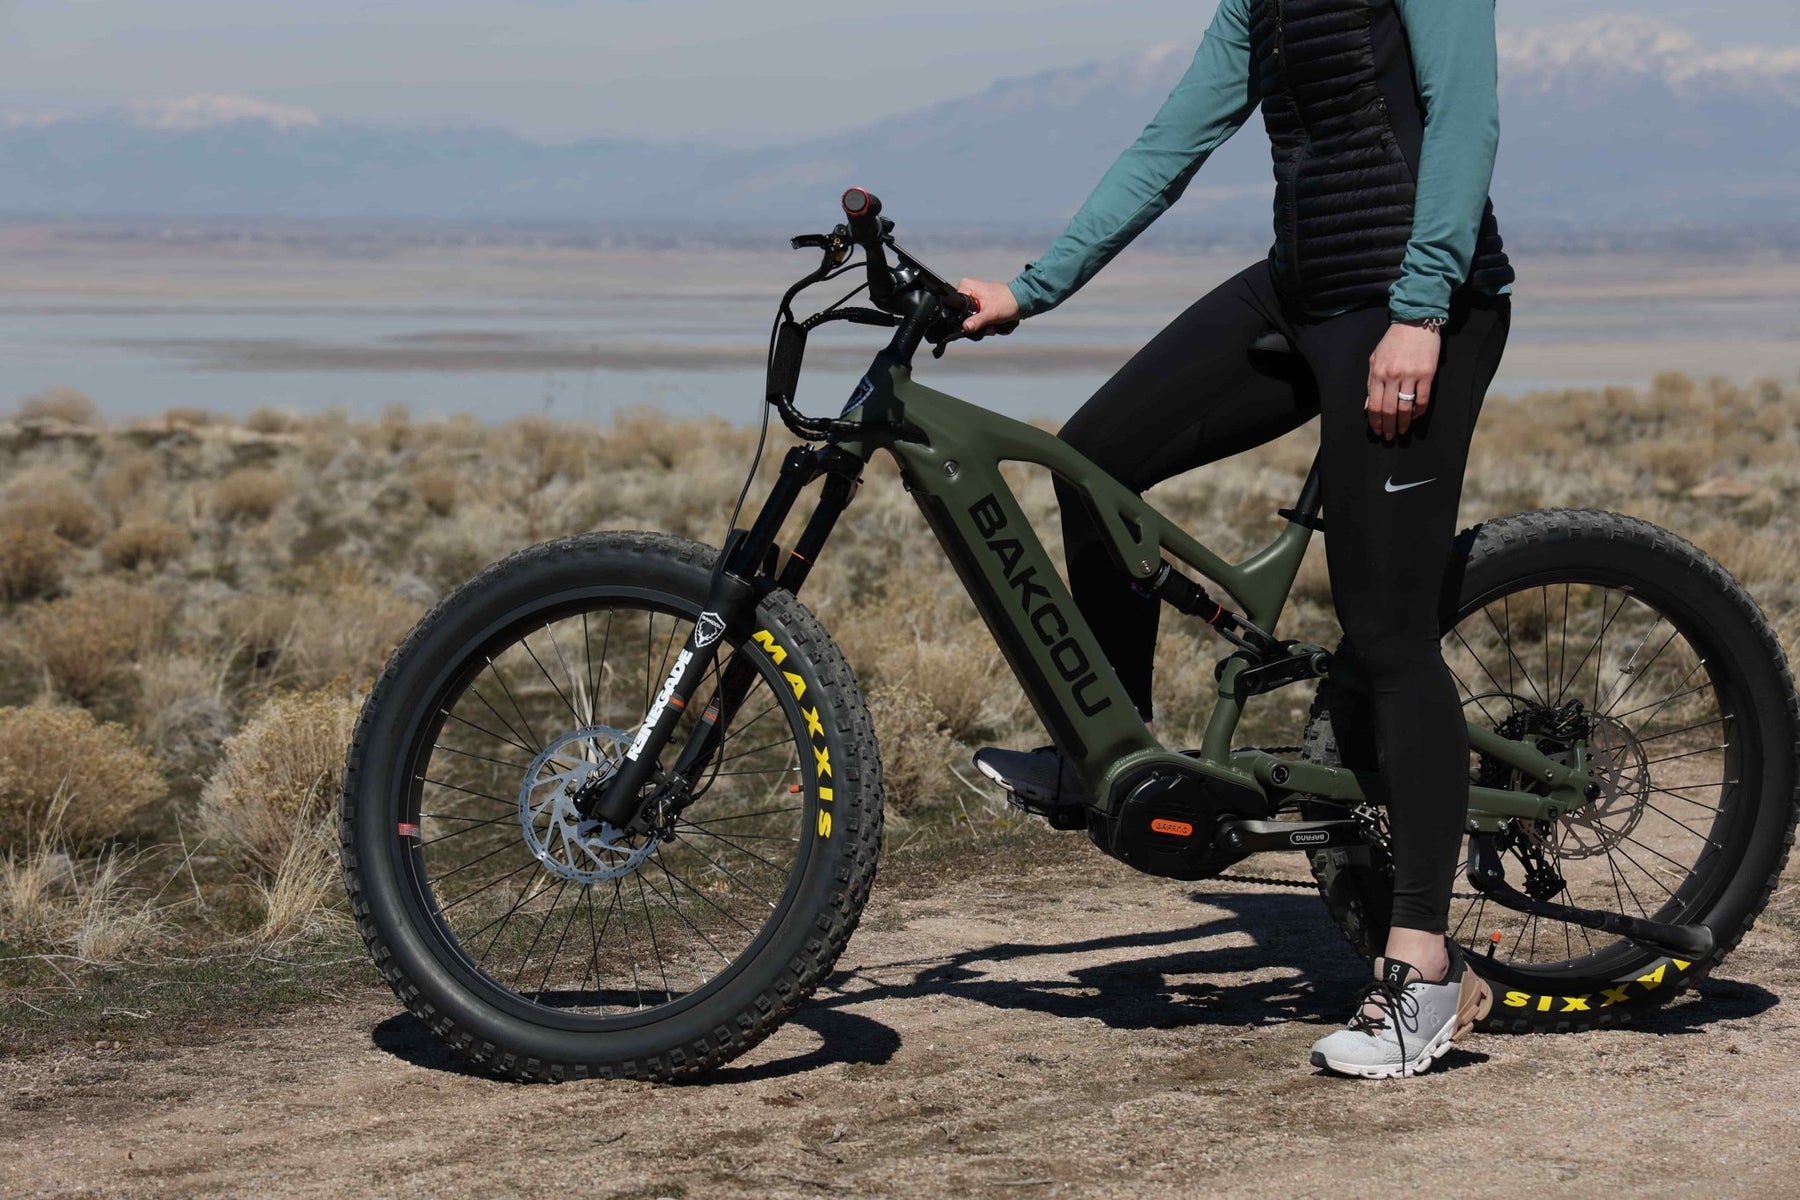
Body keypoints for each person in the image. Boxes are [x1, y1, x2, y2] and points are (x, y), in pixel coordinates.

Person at [961, 0, 1514, 1079]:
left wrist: (1421, 308)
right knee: (1095, 463)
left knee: (1387, 630)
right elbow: (1173, 141)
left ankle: (1426, 972)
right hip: (1304, 289)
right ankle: (1101, 766)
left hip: (1417, 305)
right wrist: (1032, 289)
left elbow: (1466, 124)